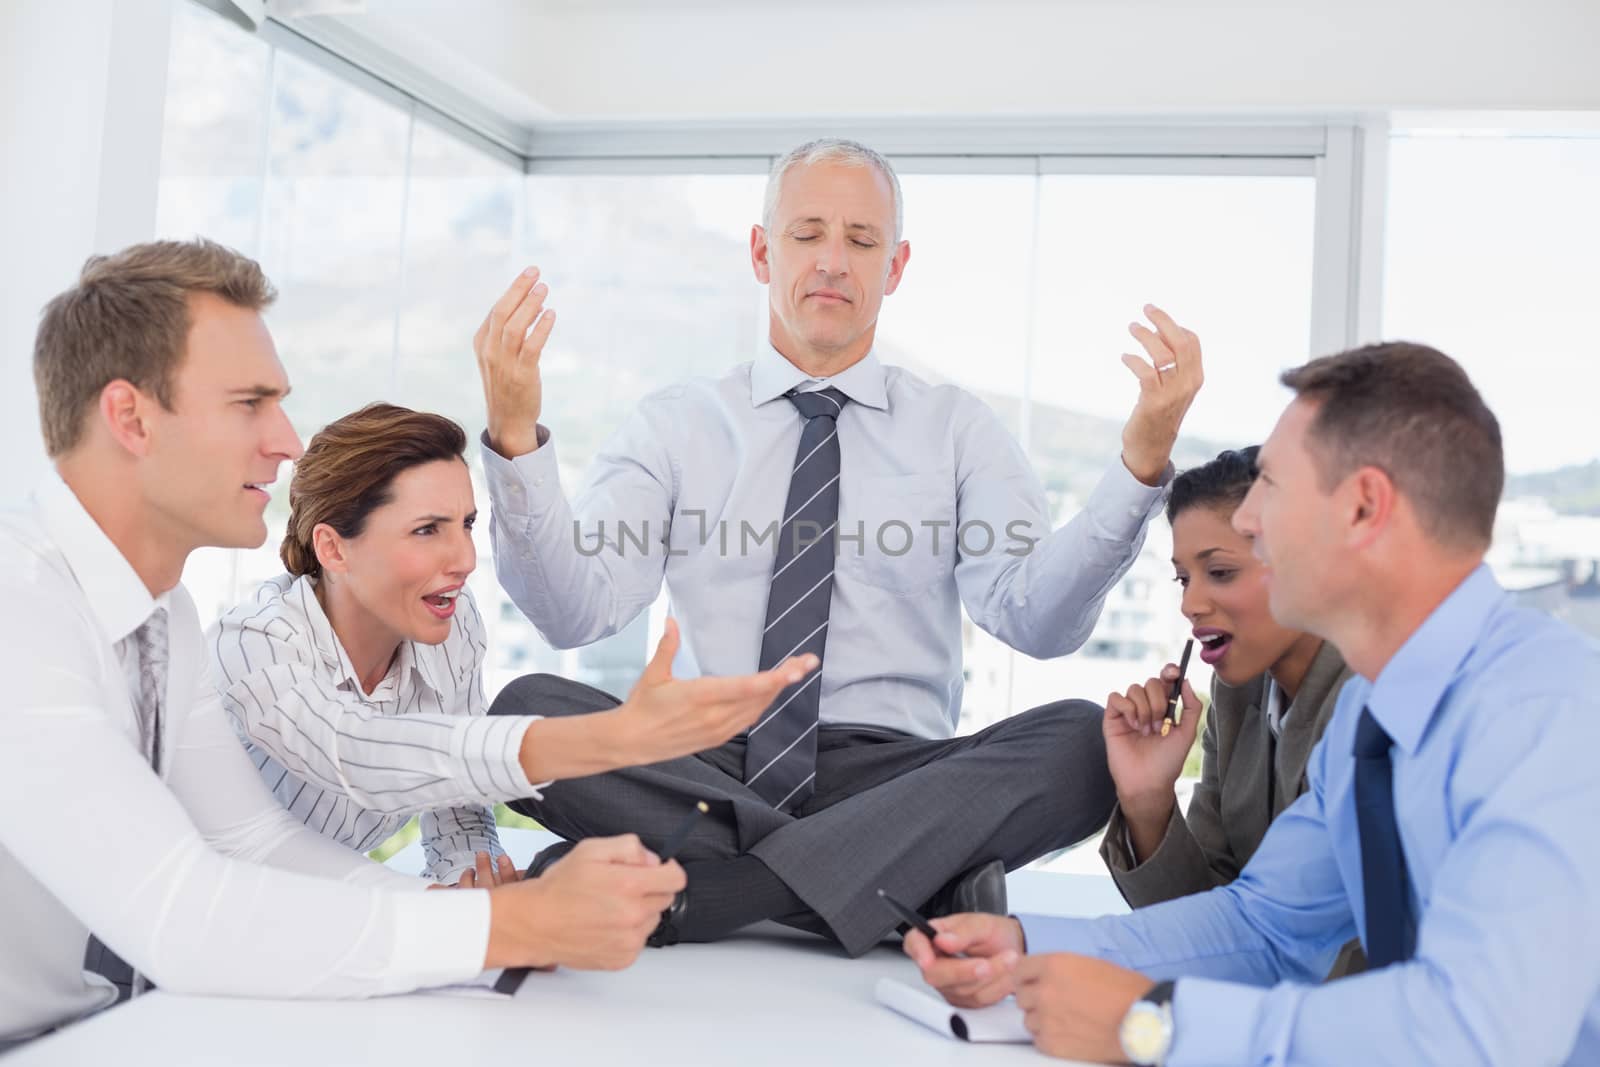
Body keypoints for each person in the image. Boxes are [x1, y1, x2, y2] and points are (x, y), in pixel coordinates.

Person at [0, 239, 804, 1047]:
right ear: (130, 417)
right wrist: (510, 920)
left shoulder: (158, 611)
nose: (286, 440)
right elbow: (187, 906)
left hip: (103, 1019)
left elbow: (257, 839)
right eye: (250, 403)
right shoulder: (22, 610)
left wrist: (483, 913)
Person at [472, 137, 1205, 956]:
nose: (832, 261)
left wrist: (1141, 461)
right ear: (761, 251)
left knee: (1080, 742)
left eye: (861, 241)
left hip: (893, 774)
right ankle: (900, 875)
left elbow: (1038, 623)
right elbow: (577, 612)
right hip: (698, 760)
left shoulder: (956, 429)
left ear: (894, 267)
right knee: (522, 713)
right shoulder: (676, 424)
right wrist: (512, 434)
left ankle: (719, 890)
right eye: (807, 233)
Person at [906, 342, 1600, 1065]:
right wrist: (1026, 942)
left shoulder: (1548, 716)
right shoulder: (1372, 717)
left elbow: (1478, 1035)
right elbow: (1268, 925)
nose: (1247, 521)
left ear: (1363, 507)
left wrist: (1154, 1026)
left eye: (1270, 484)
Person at [210, 403, 816, 886]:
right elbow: (355, 753)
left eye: (466, 525)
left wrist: (475, 874)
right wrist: (614, 738)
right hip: (196, 922)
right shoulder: (256, 643)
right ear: (334, 548)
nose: (466, 560)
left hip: (316, 909)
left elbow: (454, 807)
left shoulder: (448, 624)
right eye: (427, 531)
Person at [1096, 447, 1361, 975]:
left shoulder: (1371, 701)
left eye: (1218, 571)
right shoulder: (1237, 699)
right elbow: (1209, 921)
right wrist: (1148, 802)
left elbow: (1340, 951)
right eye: (1183, 579)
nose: (1190, 604)